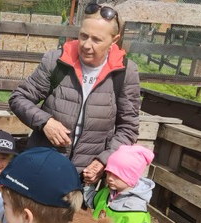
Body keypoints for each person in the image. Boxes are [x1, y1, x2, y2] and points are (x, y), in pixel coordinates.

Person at [8, 3, 140, 186]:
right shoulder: (57, 61)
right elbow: (19, 98)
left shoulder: (125, 73)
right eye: (83, 35)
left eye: (96, 39)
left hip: (82, 179)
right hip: (41, 168)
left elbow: (128, 128)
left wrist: (104, 160)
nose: (86, 45)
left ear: (114, 40)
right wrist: (45, 122)